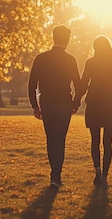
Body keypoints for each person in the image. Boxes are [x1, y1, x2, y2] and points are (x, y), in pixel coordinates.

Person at [28, 25, 82, 189]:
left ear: (54, 38)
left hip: (47, 104)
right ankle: (56, 175)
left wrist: (35, 106)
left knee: (51, 139)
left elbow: (32, 84)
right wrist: (75, 102)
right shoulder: (70, 60)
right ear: (67, 40)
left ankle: (54, 174)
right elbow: (78, 85)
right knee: (60, 139)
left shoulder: (41, 58)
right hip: (64, 104)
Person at [76, 36, 112, 186]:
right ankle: (105, 175)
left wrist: (77, 99)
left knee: (95, 140)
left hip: (94, 104)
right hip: (110, 106)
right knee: (108, 142)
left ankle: (97, 170)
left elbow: (84, 84)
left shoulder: (91, 63)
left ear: (95, 47)